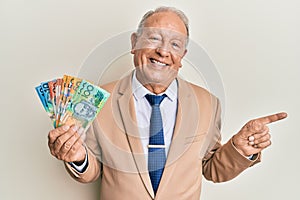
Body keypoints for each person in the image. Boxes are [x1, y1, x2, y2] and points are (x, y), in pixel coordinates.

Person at [47, 6, 287, 200]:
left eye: (175, 44)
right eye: (154, 38)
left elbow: (211, 169)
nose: (163, 51)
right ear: (134, 43)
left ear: (182, 55)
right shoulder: (98, 100)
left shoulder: (207, 103)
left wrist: (239, 149)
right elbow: (94, 171)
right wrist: (78, 157)